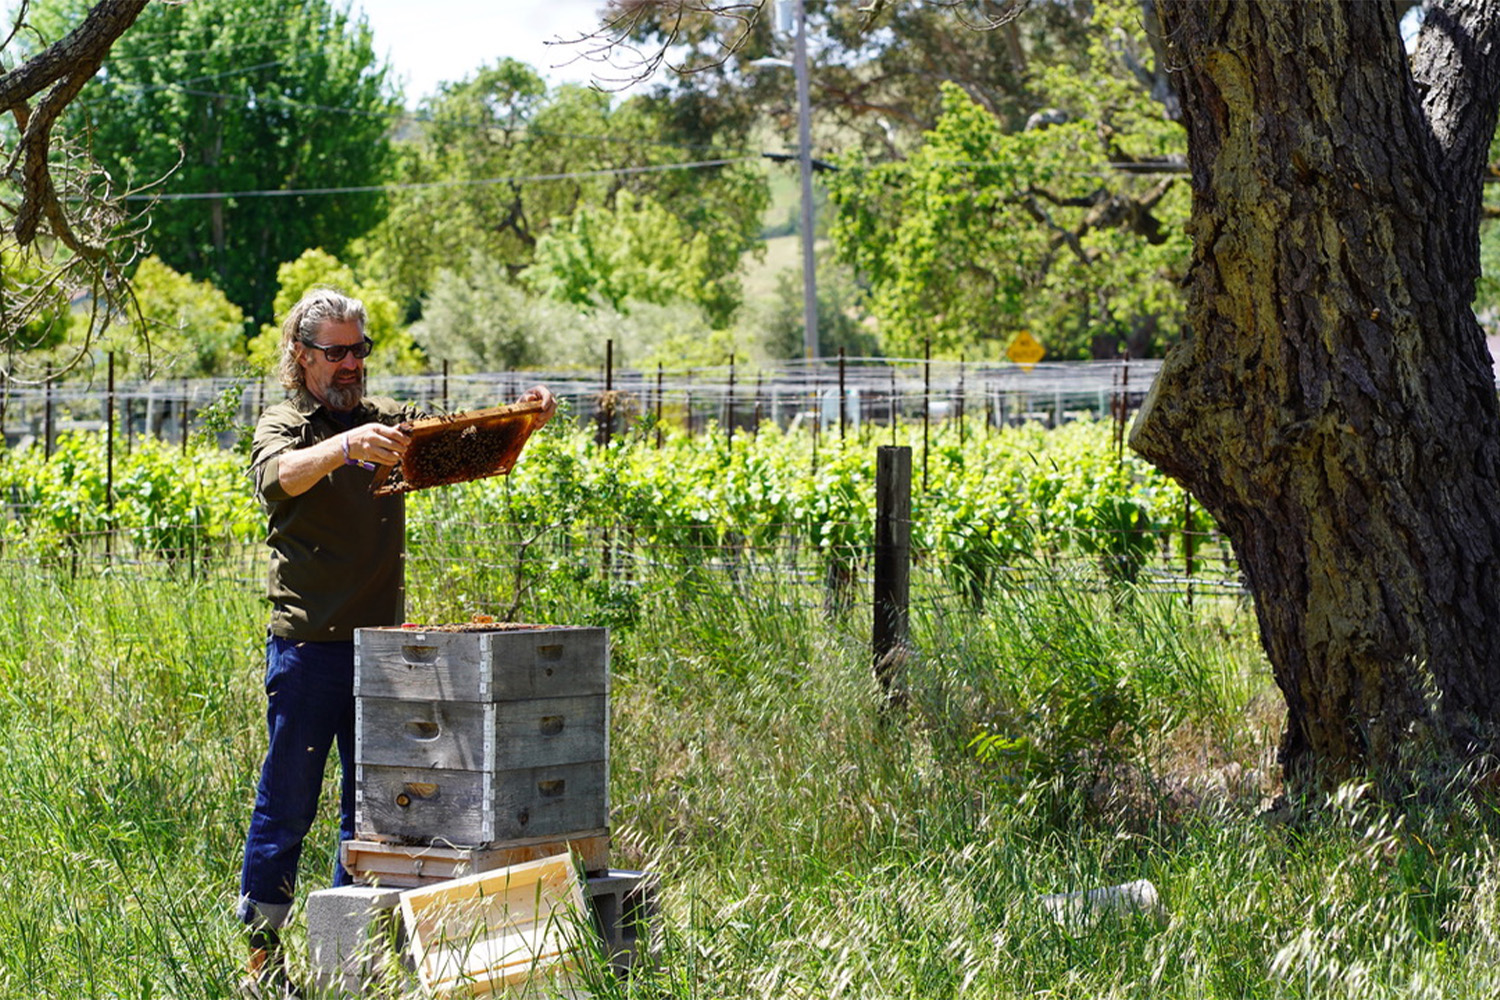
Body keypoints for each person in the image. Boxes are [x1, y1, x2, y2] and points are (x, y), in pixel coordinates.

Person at [236, 286, 554, 996]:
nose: (352, 365)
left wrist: (526, 418)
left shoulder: (388, 421)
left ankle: (348, 955)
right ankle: (261, 952)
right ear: (303, 355)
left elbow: (467, 445)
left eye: (360, 351)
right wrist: (341, 447)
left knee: (376, 812)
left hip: (385, 654)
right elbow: (276, 477)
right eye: (337, 352)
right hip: (308, 648)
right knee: (287, 800)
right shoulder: (285, 422)